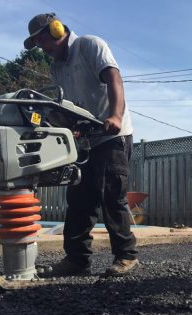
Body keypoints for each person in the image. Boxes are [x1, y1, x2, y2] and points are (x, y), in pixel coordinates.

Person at [23, 13, 139, 277]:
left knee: (111, 194)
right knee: (78, 198)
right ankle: (77, 260)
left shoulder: (89, 45)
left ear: (56, 29)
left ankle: (126, 256)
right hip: (87, 139)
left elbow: (114, 78)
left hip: (113, 135)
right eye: (38, 44)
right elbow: (69, 105)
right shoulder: (57, 67)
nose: (42, 47)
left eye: (43, 40)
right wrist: (69, 128)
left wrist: (116, 116)